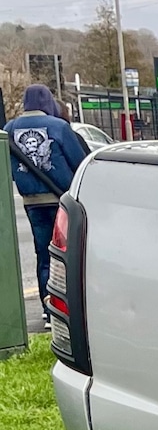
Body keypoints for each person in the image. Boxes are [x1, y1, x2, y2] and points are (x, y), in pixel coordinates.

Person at [5, 85, 87, 325]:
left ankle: (47, 306)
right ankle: (68, 306)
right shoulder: (59, 127)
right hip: (61, 199)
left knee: (43, 253)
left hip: (32, 202)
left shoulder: (10, 128)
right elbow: (79, 162)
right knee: (66, 253)